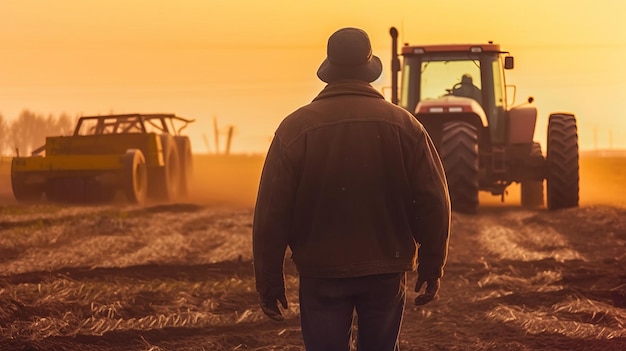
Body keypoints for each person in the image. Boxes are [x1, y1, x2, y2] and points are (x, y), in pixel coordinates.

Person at [253, 27, 451, 351]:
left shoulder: (295, 129)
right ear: (368, 70)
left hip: (321, 272)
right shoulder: (405, 126)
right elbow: (434, 200)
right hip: (386, 268)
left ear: (329, 71)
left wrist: (269, 281)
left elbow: (271, 212)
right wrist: (432, 264)